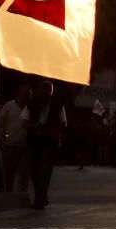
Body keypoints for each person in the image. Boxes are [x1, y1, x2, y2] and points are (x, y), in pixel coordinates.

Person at [22, 80, 66, 210]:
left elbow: (63, 123)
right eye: (42, 90)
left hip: (49, 141)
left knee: (45, 171)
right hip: (35, 140)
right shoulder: (32, 105)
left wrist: (53, 131)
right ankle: (40, 195)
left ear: (51, 93)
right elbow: (24, 122)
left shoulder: (58, 106)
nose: (44, 93)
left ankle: (40, 198)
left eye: (47, 91)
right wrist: (37, 127)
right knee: (35, 170)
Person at [0, 83, 31, 193]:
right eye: (26, 95)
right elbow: (0, 122)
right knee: (8, 170)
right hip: (10, 144)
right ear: (20, 94)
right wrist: (2, 138)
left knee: (25, 171)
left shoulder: (31, 108)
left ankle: (22, 192)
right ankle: (8, 190)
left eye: (29, 95)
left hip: (26, 145)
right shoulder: (9, 106)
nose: (28, 97)